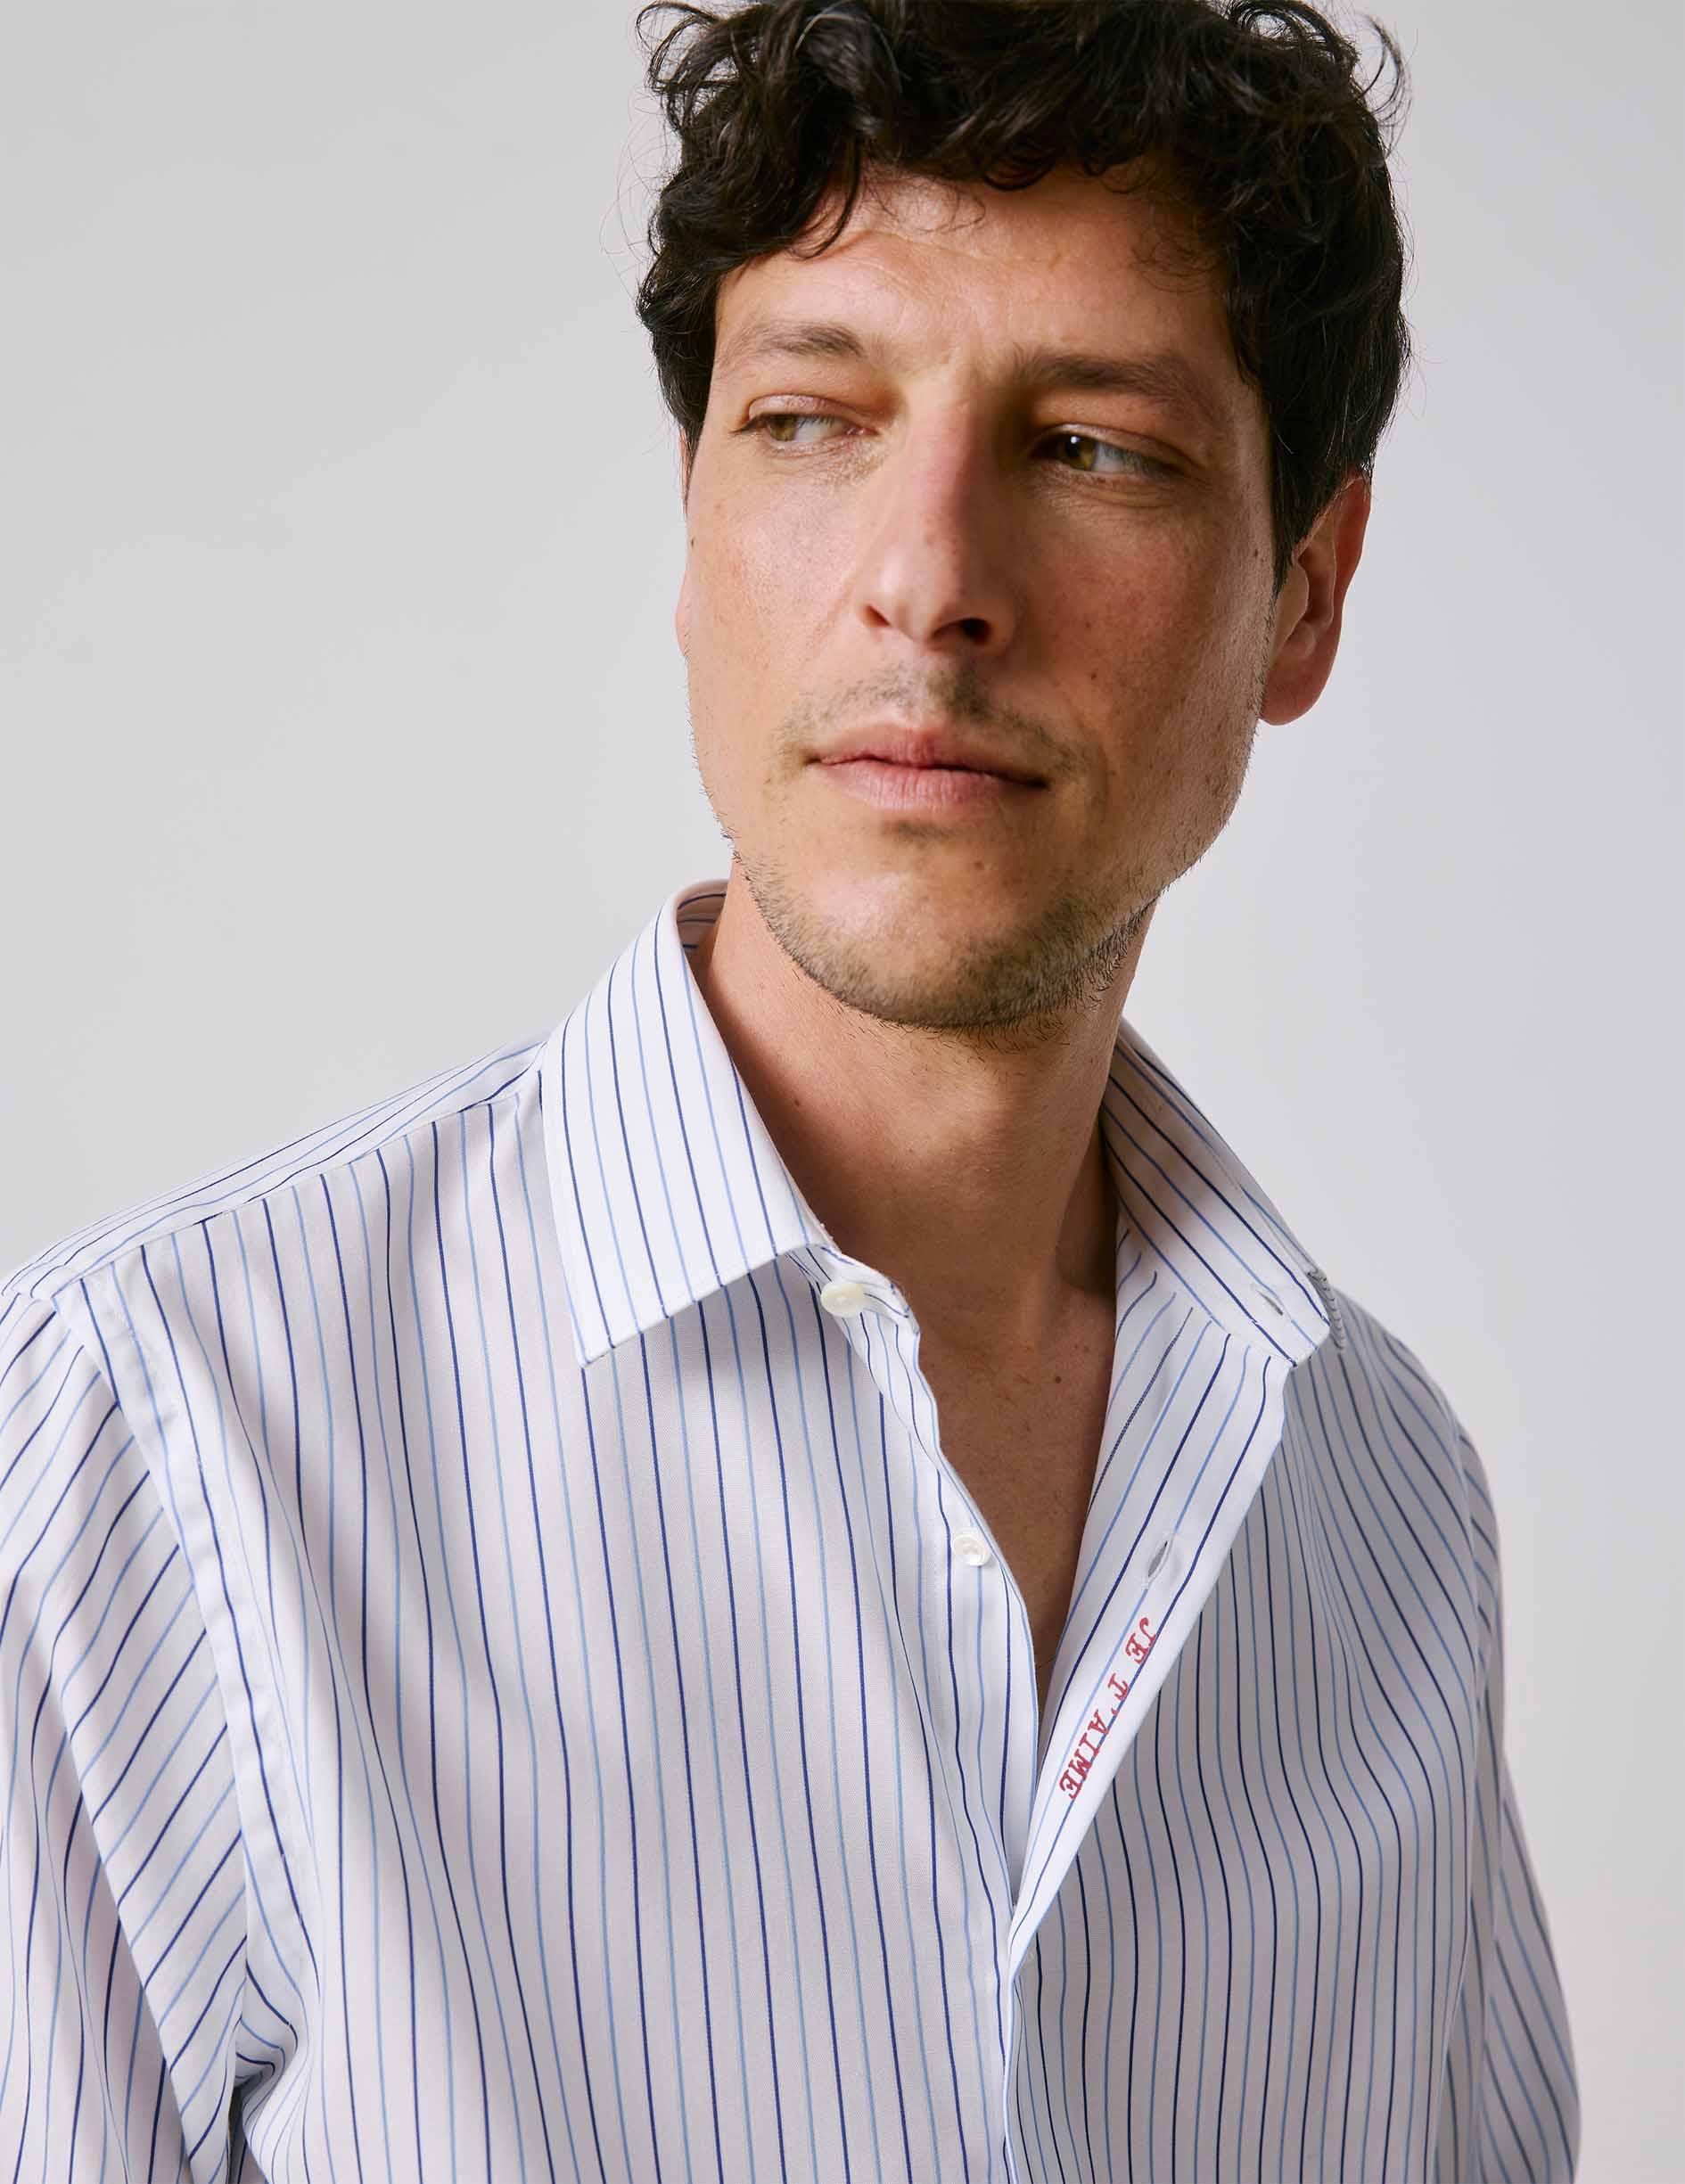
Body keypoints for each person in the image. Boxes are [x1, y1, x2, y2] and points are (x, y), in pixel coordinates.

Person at [0, 1, 1581, 2176]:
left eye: (1091, 447)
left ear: (1304, 593)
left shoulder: (1388, 1516)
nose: (926, 583)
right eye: (813, 421)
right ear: (693, 524)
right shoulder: (159, 1444)